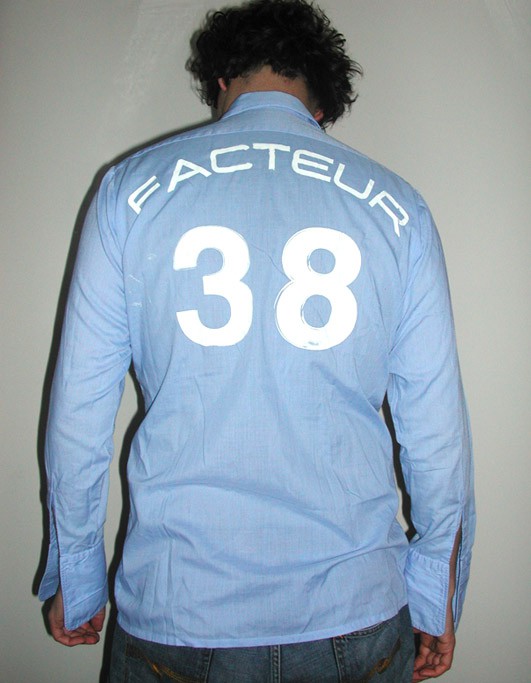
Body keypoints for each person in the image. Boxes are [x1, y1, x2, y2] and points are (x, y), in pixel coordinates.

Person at [39, 1, 475, 681]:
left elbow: (78, 415)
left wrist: (78, 571)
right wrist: (436, 590)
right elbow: (436, 435)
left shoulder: (129, 191)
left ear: (221, 81)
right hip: (355, 607)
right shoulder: (398, 209)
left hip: (179, 604)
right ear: (320, 104)